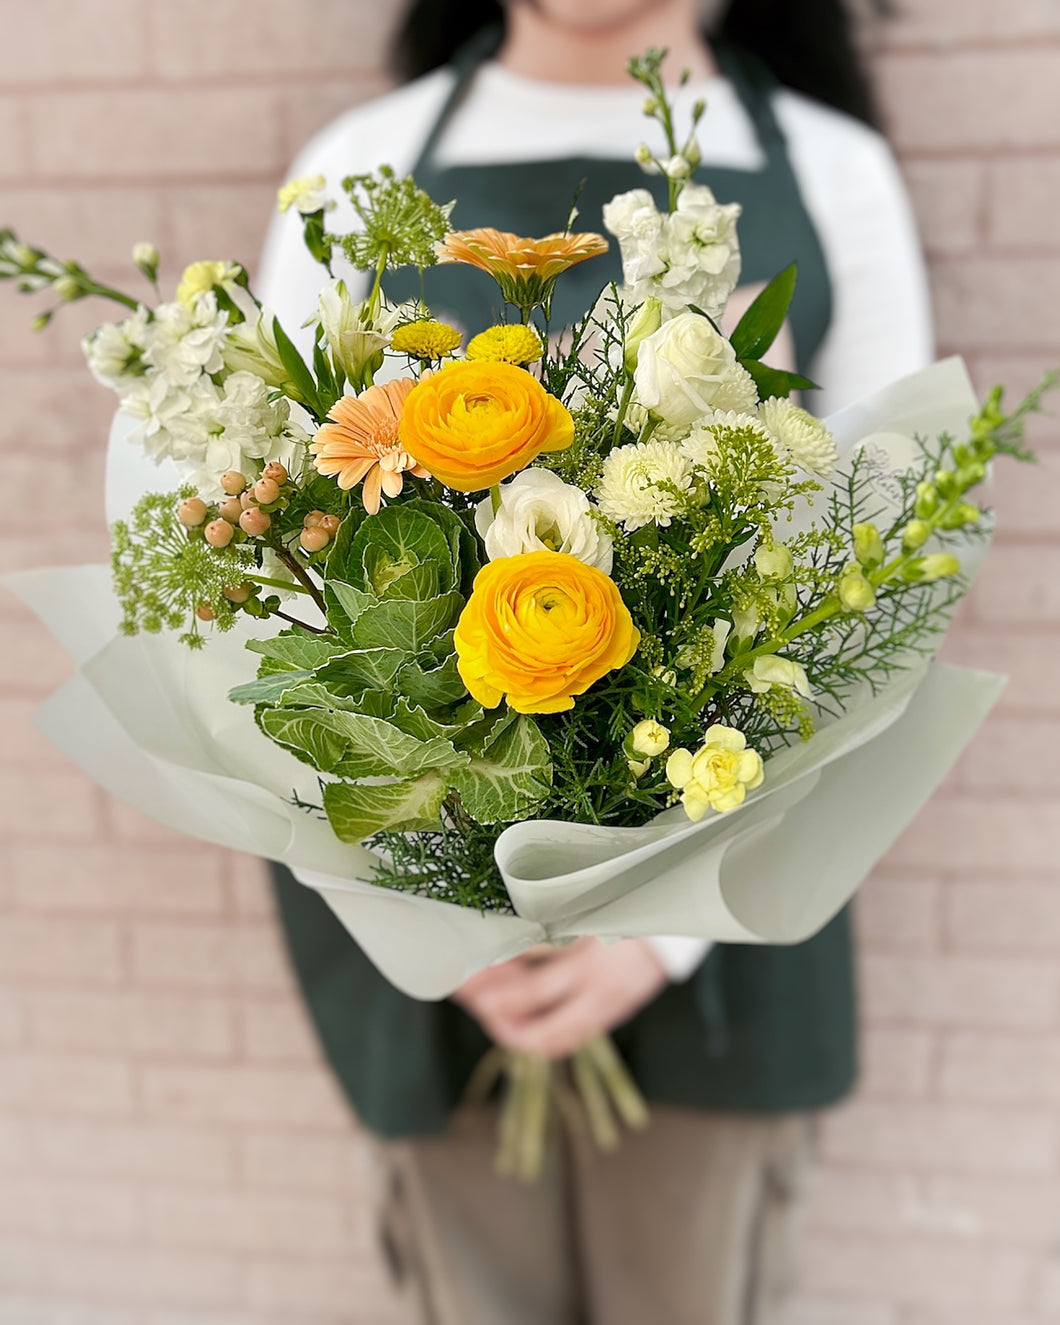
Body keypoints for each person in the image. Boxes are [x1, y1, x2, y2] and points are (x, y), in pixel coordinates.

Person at [257, 2, 933, 1321]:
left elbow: (885, 573)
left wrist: (667, 932)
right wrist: (441, 899)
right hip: (434, 929)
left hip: (738, 902)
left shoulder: (829, 166)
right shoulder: (358, 163)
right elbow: (285, 560)